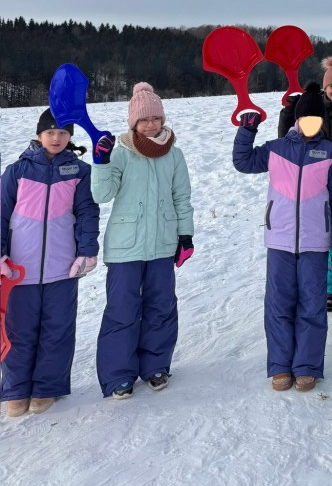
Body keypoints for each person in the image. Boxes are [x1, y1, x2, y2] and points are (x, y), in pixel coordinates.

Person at [234, 81, 332, 392]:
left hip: (315, 242)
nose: (311, 123)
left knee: (312, 305)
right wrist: (247, 131)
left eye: (316, 119)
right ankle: (280, 365)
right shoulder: (277, 149)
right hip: (280, 241)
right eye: (305, 118)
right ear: (297, 119)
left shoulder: (331, 153)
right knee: (279, 304)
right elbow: (243, 162)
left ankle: (307, 365)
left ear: (322, 121)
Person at [92, 82, 194, 400]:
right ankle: (119, 375)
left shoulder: (174, 155)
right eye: (144, 119)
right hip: (126, 246)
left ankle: (155, 366)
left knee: (161, 306)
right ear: (133, 122)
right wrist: (101, 163)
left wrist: (185, 235)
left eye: (156, 118)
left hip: (163, 243)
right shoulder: (120, 153)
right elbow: (102, 194)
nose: (151, 124)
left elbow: (182, 198)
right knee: (122, 310)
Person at [1, 109, 99, 417]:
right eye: (50, 132)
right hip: (19, 270)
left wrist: (87, 251)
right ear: (39, 135)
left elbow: (87, 212)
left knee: (57, 329)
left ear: (70, 137)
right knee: (19, 330)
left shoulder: (79, 171)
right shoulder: (17, 171)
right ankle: (16, 390)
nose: (56, 138)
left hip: (62, 267)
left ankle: (46, 388)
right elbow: (1, 214)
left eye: (63, 133)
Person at [278, 54, 332, 311]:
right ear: (325, 87)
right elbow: (287, 139)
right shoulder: (313, 110)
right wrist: (289, 112)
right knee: (327, 239)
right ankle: (330, 288)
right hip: (319, 186)